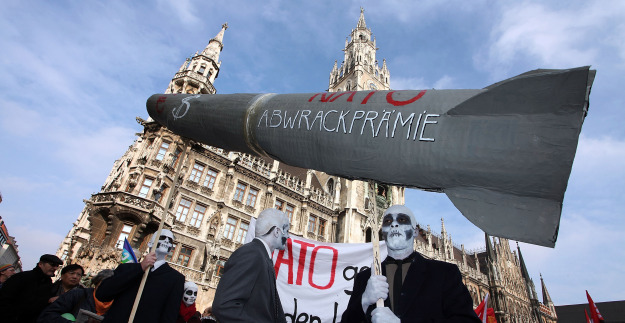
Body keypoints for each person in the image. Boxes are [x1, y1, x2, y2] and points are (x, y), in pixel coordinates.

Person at [341, 205, 481, 323]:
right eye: (388, 221)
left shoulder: (444, 273)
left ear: (415, 231)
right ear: (382, 232)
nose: (394, 224)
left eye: (402, 220)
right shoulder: (365, 278)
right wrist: (364, 301)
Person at [213, 208, 290, 323]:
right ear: (277, 232)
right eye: (287, 231)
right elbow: (224, 305)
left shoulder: (263, 258)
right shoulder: (251, 254)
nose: (288, 236)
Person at [95, 229, 185, 322]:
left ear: (170, 249)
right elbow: (102, 294)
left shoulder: (176, 279)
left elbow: (169, 317)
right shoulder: (127, 268)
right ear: (150, 243)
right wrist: (140, 268)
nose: (166, 241)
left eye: (170, 240)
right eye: (162, 237)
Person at [0, 254, 64, 323]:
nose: (55, 268)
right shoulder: (21, 277)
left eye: (57, 266)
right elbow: (4, 299)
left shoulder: (49, 284)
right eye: (52, 264)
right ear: (41, 264)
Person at [37, 269, 114, 322]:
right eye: (104, 284)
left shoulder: (117, 306)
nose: (107, 289)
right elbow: (47, 315)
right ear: (97, 283)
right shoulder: (78, 295)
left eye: (112, 286)